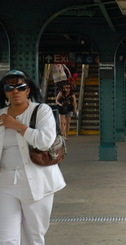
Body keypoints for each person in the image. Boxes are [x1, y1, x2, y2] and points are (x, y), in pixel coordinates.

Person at [0, 69, 66, 244]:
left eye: (20, 87)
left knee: (34, 236)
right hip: (5, 183)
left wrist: (16, 126)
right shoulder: (0, 114)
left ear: (28, 90)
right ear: (4, 91)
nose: (15, 91)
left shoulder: (41, 110)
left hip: (37, 182)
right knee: (5, 237)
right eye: (10, 87)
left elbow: (44, 142)